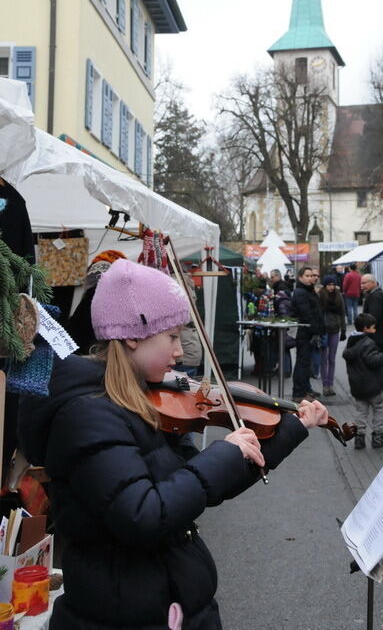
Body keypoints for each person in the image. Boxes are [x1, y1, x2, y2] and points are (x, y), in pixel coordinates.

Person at [18, 259, 328, 629]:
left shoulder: (141, 403)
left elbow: (199, 489)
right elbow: (144, 514)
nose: (181, 352)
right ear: (133, 336)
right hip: (124, 616)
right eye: (172, 337)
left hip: (163, 604)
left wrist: (288, 431)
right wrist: (223, 453)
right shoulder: (89, 416)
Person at [343, 313, 383, 450]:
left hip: (357, 386)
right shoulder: (369, 343)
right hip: (372, 385)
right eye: (373, 328)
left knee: (361, 412)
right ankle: (378, 436)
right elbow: (373, 360)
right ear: (366, 328)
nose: (375, 330)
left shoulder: (351, 341)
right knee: (379, 409)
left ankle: (359, 438)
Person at [290, 265, 324, 402]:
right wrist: (315, 330)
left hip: (309, 332)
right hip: (304, 332)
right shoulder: (300, 292)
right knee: (302, 363)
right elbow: (306, 314)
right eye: (307, 276)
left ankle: (304, 390)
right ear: (300, 278)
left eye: (312, 276)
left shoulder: (308, 290)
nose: (311, 278)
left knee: (305, 363)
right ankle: (299, 393)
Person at [361, 273, 383, 399]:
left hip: (377, 336)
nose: (362, 286)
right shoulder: (377, 294)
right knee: (378, 364)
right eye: (361, 283)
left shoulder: (376, 296)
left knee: (377, 364)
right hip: (380, 335)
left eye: (364, 283)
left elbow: (374, 317)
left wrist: (366, 329)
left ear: (373, 282)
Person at [318, 275, 347, 396]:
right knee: (323, 359)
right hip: (324, 330)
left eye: (333, 284)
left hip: (335, 329)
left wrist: (344, 330)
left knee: (332, 359)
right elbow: (318, 313)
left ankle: (331, 384)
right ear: (325, 285)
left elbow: (342, 313)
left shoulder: (338, 296)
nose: (331, 287)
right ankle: (325, 385)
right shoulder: (320, 296)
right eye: (329, 284)